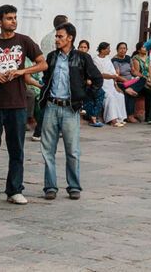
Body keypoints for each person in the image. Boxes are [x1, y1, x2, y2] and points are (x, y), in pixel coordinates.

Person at [0, 4, 45, 206]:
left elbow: (42, 63)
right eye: (9, 18)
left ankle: (15, 189)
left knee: (17, 149)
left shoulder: (24, 41)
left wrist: (22, 72)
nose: (13, 21)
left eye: (15, 18)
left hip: (17, 103)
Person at [37, 23, 101, 201]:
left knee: (72, 150)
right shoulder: (51, 57)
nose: (57, 39)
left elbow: (97, 79)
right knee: (47, 149)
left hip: (70, 108)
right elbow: (46, 78)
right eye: (56, 36)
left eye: (60, 36)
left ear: (70, 38)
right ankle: (50, 186)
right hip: (51, 106)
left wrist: (83, 97)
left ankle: (73, 186)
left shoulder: (82, 58)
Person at [32, 15, 67, 141]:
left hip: (44, 74)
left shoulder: (46, 37)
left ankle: (50, 130)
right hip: (54, 75)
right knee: (49, 104)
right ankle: (38, 132)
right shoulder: (60, 39)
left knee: (48, 103)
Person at [93, 44, 126, 128]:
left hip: (111, 84)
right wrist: (112, 76)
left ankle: (120, 118)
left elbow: (114, 73)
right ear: (102, 50)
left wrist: (116, 86)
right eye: (108, 49)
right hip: (102, 85)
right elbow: (101, 74)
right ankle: (112, 120)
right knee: (110, 98)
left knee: (120, 96)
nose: (109, 50)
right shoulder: (96, 60)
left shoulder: (108, 59)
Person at [129, 42, 151, 123]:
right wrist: (146, 81)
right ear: (139, 50)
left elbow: (149, 70)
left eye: (145, 47)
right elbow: (137, 73)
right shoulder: (136, 59)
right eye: (143, 47)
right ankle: (148, 116)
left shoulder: (147, 57)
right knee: (149, 92)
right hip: (140, 81)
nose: (145, 49)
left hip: (147, 80)